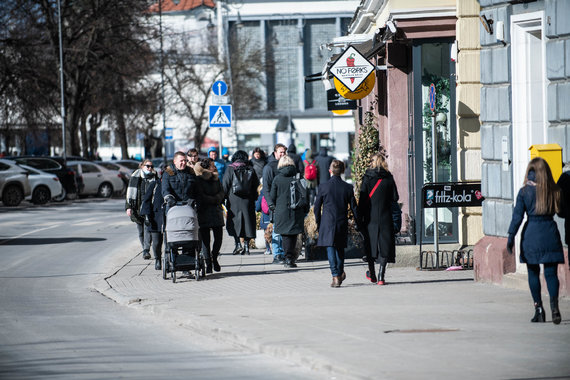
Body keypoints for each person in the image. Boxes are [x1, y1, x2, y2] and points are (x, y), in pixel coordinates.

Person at [507, 157, 563, 324]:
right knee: (551, 274)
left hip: (531, 233)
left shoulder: (524, 192)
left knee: (533, 273)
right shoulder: (554, 190)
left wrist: (510, 237)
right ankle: (555, 307)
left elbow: (517, 217)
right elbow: (561, 213)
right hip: (550, 233)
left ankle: (538, 309)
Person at [314, 160, 358, 287]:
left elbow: (317, 207)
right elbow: (354, 207)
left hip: (327, 222)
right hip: (341, 221)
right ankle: (339, 272)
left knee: (330, 248)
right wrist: (357, 221)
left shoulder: (323, 186)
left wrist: (318, 222)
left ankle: (335, 276)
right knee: (340, 249)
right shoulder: (348, 187)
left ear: (330, 171)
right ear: (342, 171)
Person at [357, 153, 399, 285]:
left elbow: (363, 199)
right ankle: (381, 275)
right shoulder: (389, 177)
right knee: (385, 244)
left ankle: (372, 274)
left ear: (373, 162)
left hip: (370, 216)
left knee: (370, 244)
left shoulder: (368, 177)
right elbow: (395, 197)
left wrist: (360, 216)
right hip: (385, 215)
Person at [269, 155, 308, 268]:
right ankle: (290, 258)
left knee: (285, 235)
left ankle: (287, 258)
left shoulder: (277, 178)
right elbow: (305, 194)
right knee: (293, 235)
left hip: (282, 210)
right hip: (296, 209)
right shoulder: (297, 176)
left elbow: (272, 196)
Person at [223, 150, 259, 255]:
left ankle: (238, 244)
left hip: (233, 199)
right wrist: (254, 197)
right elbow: (256, 185)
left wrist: (223, 198)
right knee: (248, 221)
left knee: (235, 222)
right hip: (248, 200)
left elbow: (225, 184)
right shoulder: (250, 169)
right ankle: (247, 247)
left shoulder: (230, 168)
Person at [194, 158, 225, 273]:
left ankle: (215, 257)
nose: (215, 167)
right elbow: (200, 195)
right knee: (205, 241)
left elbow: (222, 192)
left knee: (219, 238)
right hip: (204, 211)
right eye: (212, 165)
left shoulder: (216, 178)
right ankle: (208, 263)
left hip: (216, 211)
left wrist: (217, 198)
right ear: (207, 167)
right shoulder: (199, 179)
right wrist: (213, 199)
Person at [125, 159, 157, 260]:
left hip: (149, 208)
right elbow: (129, 193)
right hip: (137, 208)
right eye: (148, 166)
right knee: (140, 231)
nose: (150, 168)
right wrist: (128, 207)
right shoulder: (135, 177)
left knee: (148, 229)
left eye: (151, 166)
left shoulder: (155, 177)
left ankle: (146, 250)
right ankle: (144, 248)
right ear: (142, 166)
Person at [263, 143, 288, 263]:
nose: (282, 154)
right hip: (275, 203)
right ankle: (277, 254)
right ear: (275, 153)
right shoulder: (269, 167)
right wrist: (270, 203)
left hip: (286, 202)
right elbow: (266, 188)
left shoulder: (287, 165)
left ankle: (283, 253)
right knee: (277, 229)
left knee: (285, 229)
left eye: (284, 152)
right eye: (280, 152)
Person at [140, 173, 164, 270]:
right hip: (155, 219)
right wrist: (147, 216)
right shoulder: (154, 185)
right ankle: (158, 259)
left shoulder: (172, 184)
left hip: (169, 218)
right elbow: (146, 200)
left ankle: (171, 260)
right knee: (157, 243)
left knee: (170, 243)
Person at [255, 183, 272, 255]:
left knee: (266, 234)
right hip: (273, 217)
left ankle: (268, 249)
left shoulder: (261, 196)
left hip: (265, 219)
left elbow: (257, 208)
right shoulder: (271, 193)